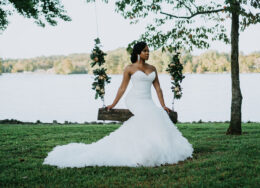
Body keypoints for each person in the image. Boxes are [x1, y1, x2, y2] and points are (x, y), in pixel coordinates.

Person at [43, 42, 193, 168]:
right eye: (145, 51)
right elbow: (122, 88)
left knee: (158, 114)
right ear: (138, 53)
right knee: (151, 115)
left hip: (148, 100)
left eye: (148, 51)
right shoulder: (129, 68)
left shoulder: (152, 68)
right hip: (134, 99)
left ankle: (160, 146)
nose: (148, 53)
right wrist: (113, 104)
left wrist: (164, 105)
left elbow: (158, 88)